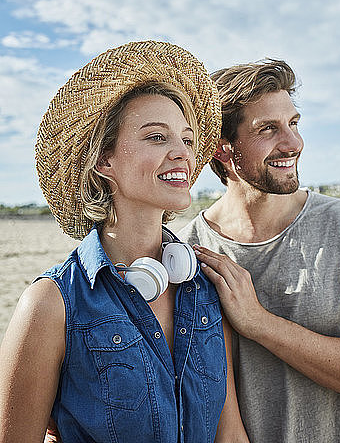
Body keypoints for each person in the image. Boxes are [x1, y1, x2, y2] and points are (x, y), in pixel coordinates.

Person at [0, 41, 250, 443]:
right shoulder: (51, 304)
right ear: (104, 161)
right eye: (156, 137)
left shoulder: (205, 289)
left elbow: (230, 435)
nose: (182, 154)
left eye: (187, 140)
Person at [179, 58, 340, 443]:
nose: (293, 143)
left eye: (294, 123)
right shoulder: (187, 252)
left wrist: (259, 323)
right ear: (221, 148)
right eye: (268, 129)